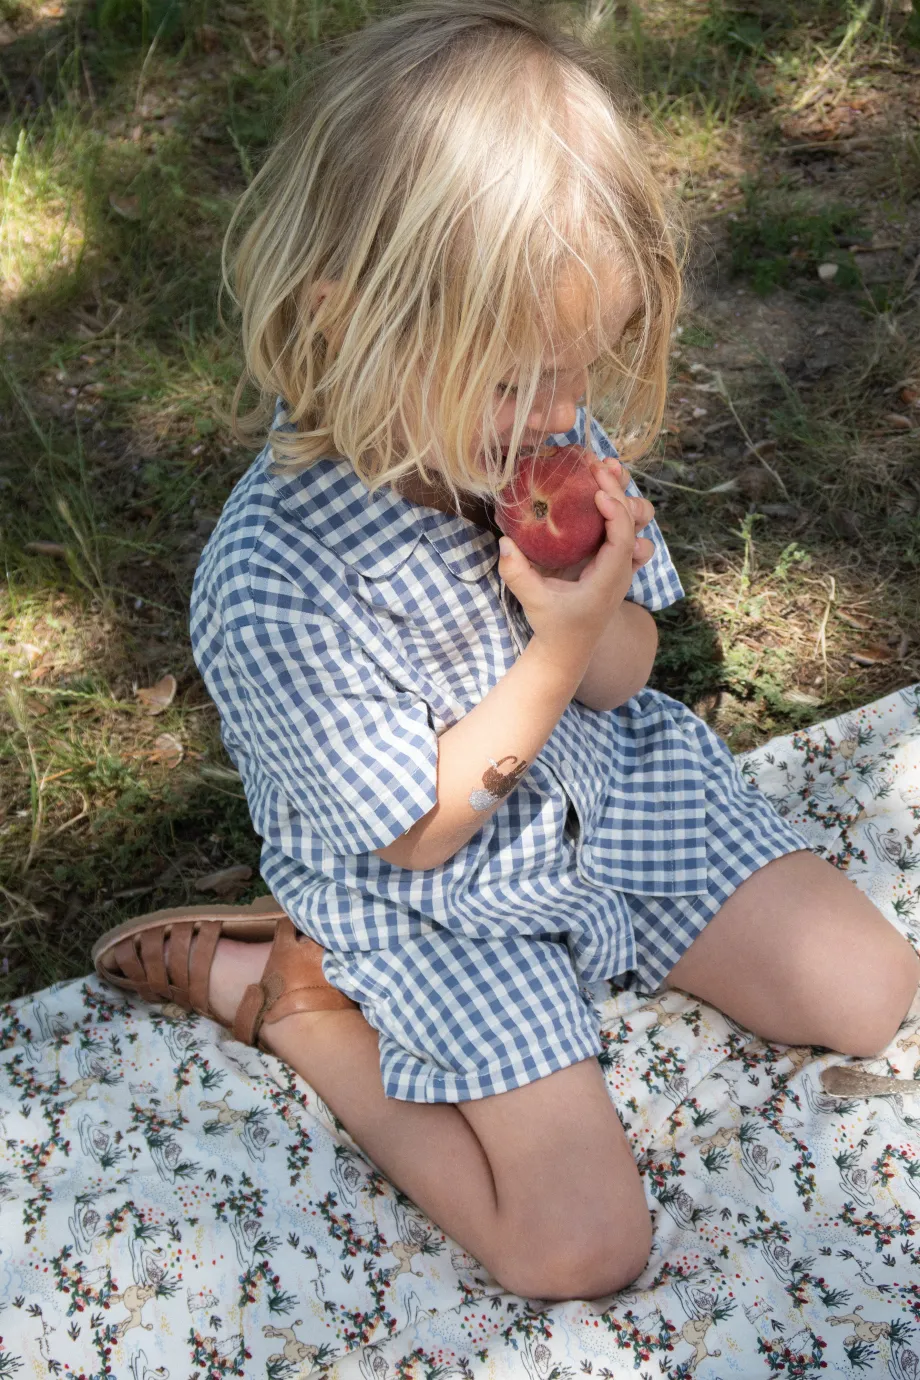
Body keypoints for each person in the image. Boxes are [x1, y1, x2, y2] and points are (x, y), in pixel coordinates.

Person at [91, 0, 918, 1304]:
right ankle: (297, 1003)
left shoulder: (539, 430)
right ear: (345, 324)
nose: (558, 413)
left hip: (615, 795)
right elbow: (420, 835)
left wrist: (596, 616)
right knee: (576, 1245)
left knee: (870, 989)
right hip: (443, 903)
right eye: (517, 377)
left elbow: (629, 674)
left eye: (576, 368)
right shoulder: (276, 584)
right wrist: (553, 647)